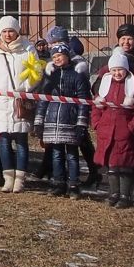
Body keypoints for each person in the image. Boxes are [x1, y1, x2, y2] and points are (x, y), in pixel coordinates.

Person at [0, 15, 39, 192]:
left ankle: (20, 179)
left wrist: (26, 87)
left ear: (17, 31)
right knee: (4, 141)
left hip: (20, 102)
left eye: (11, 31)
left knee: (21, 141)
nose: (7, 34)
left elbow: (36, 71)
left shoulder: (28, 49)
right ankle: (8, 178)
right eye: (4, 31)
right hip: (1, 102)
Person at [93, 50, 134, 208]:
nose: (117, 73)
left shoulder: (133, 90)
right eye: (114, 70)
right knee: (111, 166)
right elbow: (97, 108)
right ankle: (113, 193)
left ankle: (125, 195)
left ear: (126, 70)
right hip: (106, 133)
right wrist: (97, 123)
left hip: (124, 135)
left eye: (120, 70)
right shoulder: (105, 87)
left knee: (124, 165)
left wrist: (130, 128)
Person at [37, 42, 90, 198]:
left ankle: (73, 184)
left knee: (72, 155)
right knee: (56, 153)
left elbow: (83, 100)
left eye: (60, 55)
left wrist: (81, 122)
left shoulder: (77, 76)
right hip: (53, 119)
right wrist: (39, 121)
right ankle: (58, 183)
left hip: (70, 120)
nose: (57, 59)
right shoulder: (50, 77)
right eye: (54, 56)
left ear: (67, 56)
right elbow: (43, 99)